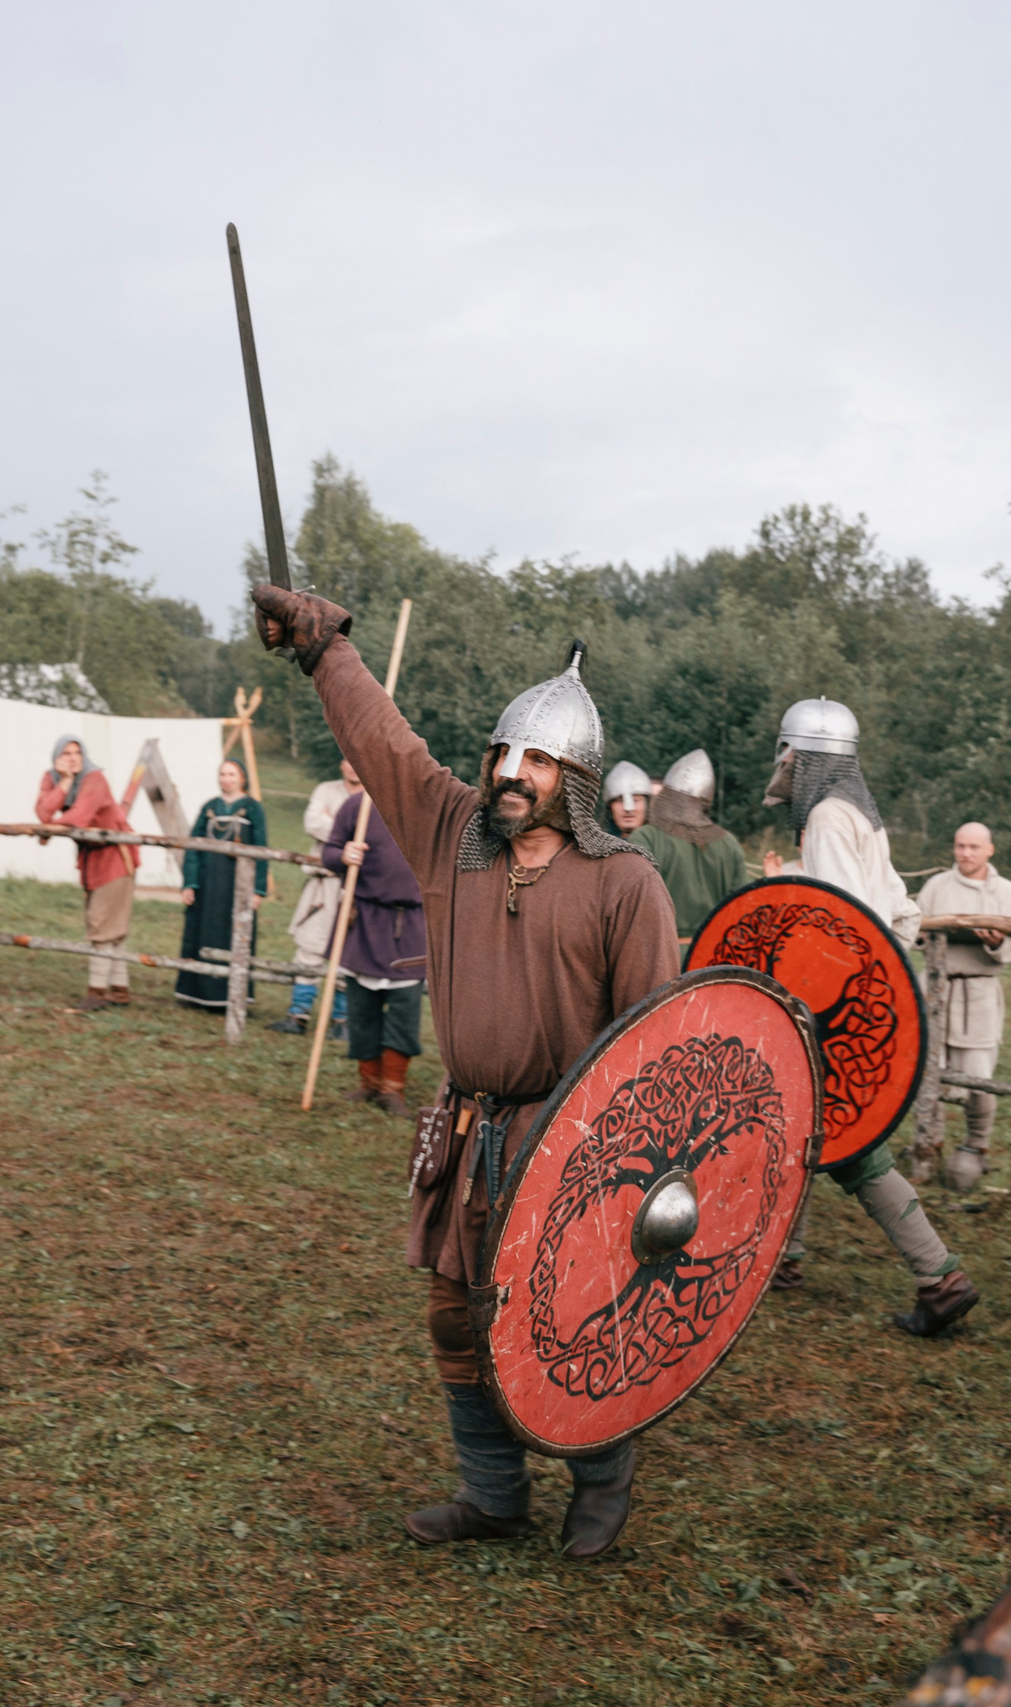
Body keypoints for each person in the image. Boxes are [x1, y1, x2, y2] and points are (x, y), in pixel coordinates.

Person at [253, 585, 675, 1559]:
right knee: (456, 1315)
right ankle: (492, 1495)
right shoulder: (456, 837)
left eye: (537, 757)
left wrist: (631, 1173)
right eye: (503, 753)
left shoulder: (625, 883)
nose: (512, 771)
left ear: (574, 775)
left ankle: (602, 1484)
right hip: (468, 1126)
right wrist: (324, 651)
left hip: (575, 1141)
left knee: (573, 1324)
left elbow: (652, 1050)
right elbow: (385, 744)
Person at [756, 699, 978, 1336]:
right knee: (799, 1124)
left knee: (830, 1139)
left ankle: (939, 1277)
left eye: (789, 756)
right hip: (867, 993)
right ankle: (789, 1261)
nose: (786, 767)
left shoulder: (827, 815)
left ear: (801, 756)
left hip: (831, 1001)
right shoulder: (859, 814)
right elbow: (893, 912)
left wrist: (806, 992)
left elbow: (839, 920)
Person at [915, 823, 1011, 1190]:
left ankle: (976, 1147)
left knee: (979, 1080)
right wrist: (926, 934)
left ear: (989, 850)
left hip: (979, 995)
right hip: (936, 989)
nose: (965, 853)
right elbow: (912, 929)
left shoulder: (1005, 892)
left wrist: (998, 942)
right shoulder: (937, 886)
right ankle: (927, 1146)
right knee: (926, 1072)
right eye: (960, 846)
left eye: (973, 847)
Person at [322, 772, 427, 1114]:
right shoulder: (358, 806)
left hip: (410, 925)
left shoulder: (428, 810)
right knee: (362, 1008)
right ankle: (369, 1081)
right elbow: (330, 852)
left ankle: (392, 1087)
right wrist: (343, 855)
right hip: (364, 921)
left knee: (403, 1009)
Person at [36, 736, 140, 1012]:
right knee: (111, 926)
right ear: (57, 756)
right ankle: (120, 990)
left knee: (102, 922)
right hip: (92, 857)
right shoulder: (53, 778)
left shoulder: (94, 779)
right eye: (66, 753)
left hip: (115, 854)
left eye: (77, 753)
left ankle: (97, 992)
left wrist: (50, 830)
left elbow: (79, 816)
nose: (73, 758)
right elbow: (43, 811)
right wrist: (65, 782)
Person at [175, 759, 271, 1011]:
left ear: (242, 778)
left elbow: (261, 850)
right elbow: (193, 846)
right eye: (222, 774)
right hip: (207, 885)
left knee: (233, 935)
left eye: (231, 774)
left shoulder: (252, 808)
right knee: (201, 933)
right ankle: (197, 993)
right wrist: (190, 883)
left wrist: (258, 890)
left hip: (236, 887)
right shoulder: (210, 807)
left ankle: (229, 996)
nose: (226, 779)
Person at [270, 765, 354, 1034]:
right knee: (310, 947)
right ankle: (298, 1015)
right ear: (342, 763)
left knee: (348, 952)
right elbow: (312, 822)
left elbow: (377, 834)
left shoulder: (375, 797)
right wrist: (349, 832)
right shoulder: (326, 790)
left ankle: (342, 1021)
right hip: (323, 883)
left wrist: (335, 826)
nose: (353, 766)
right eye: (348, 759)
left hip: (356, 887)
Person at [602, 760, 710, 943]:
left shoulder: (668, 847)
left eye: (636, 800)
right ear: (610, 807)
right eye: (620, 800)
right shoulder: (596, 848)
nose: (628, 808)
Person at [648, 748, 748, 930]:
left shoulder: (648, 837)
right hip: (714, 954)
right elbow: (742, 908)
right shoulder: (729, 843)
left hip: (664, 952)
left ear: (667, 794)